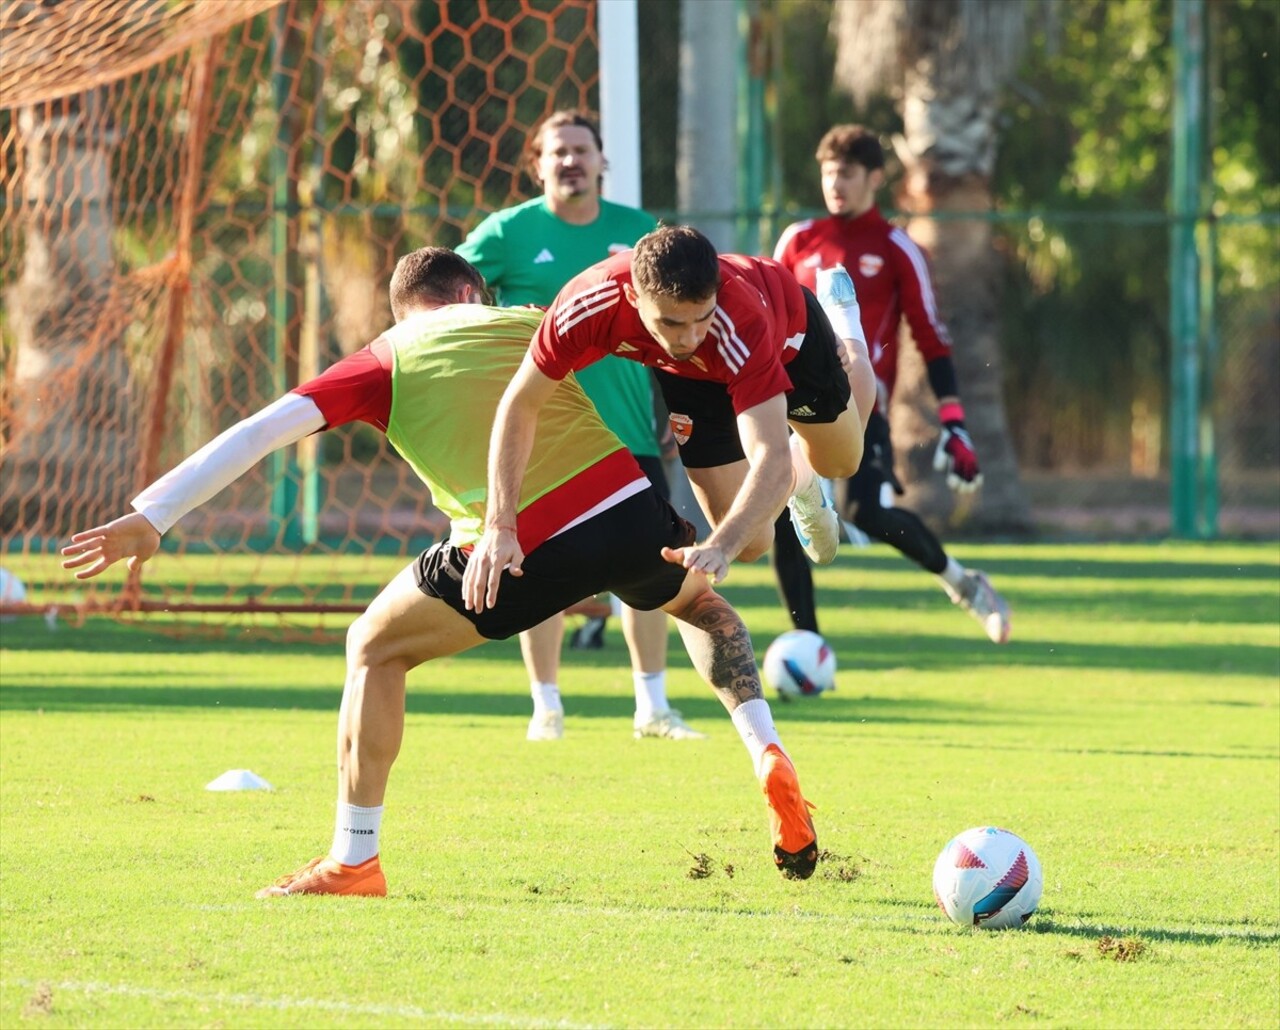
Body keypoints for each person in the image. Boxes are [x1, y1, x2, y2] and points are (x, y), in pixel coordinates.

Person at [60, 247, 820, 894]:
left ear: (403, 311)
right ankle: (765, 748)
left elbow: (258, 433)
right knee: (709, 611)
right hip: (627, 507)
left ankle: (354, 857)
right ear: (470, 296)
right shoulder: (532, 319)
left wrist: (152, 514)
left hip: (514, 545)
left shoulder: (377, 361)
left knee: (373, 647)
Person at [465, 225, 877, 613]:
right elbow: (520, 404)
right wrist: (500, 525)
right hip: (689, 377)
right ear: (633, 299)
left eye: (703, 316)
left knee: (840, 463)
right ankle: (800, 480)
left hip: (789, 337)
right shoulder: (588, 304)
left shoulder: (738, 322)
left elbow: (769, 454)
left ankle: (845, 320)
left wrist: (718, 547)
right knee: (752, 544)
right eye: (671, 322)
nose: (690, 336)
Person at [456, 109, 702, 742]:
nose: (570, 161)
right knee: (536, 570)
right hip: (546, 438)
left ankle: (652, 706)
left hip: (628, 433)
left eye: (581, 150)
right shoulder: (507, 233)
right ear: (537, 163)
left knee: (649, 568)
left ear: (601, 160)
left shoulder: (638, 232)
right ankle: (547, 706)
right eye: (556, 152)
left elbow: (678, 325)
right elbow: (444, 300)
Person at [771, 124, 1012, 643]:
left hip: (861, 406)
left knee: (865, 512)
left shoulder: (896, 246)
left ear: (875, 178)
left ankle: (964, 584)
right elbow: (769, 319)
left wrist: (953, 419)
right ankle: (809, 645)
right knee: (784, 511)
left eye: (848, 173)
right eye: (829, 173)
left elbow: (931, 334)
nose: (835, 183)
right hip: (793, 404)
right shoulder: (798, 240)